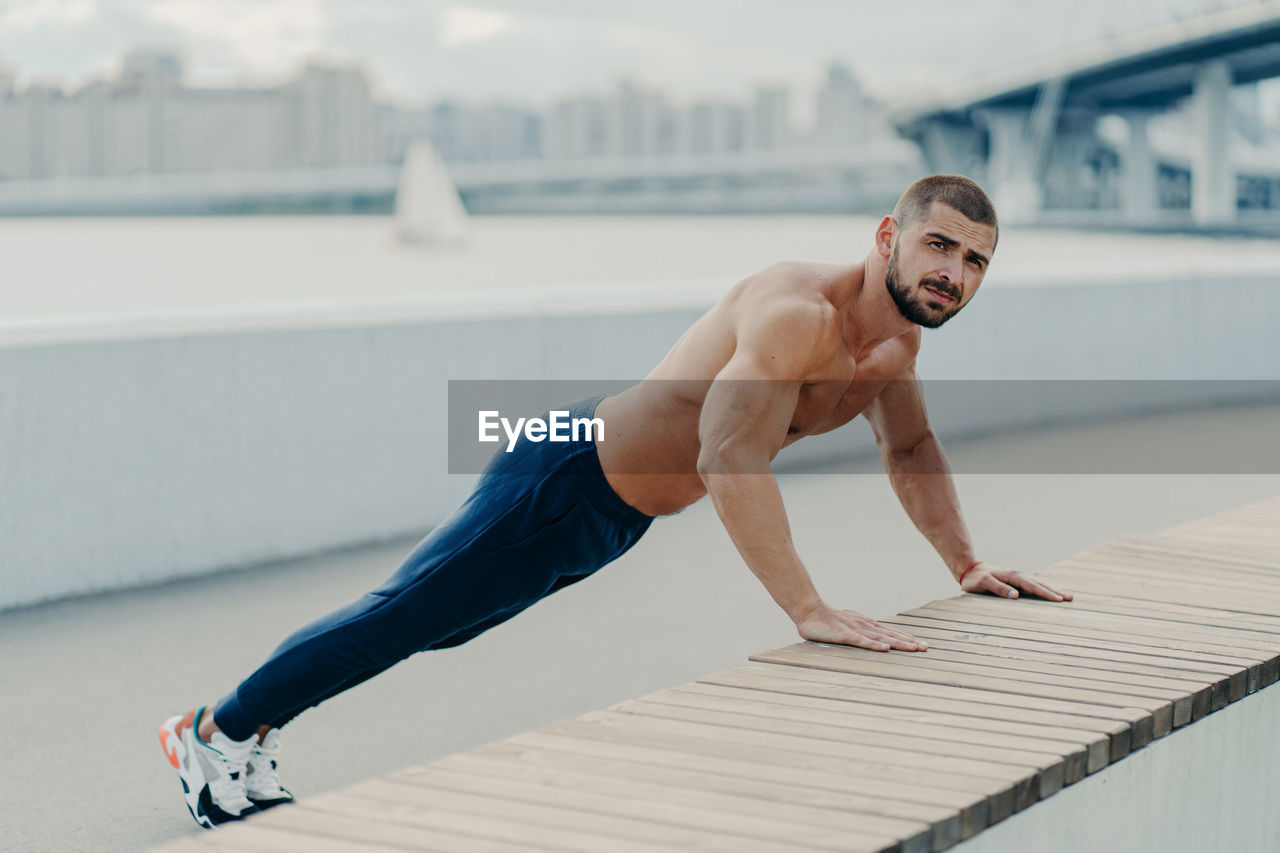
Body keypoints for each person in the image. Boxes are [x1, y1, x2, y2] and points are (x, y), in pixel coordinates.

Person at [158, 173, 1073, 829]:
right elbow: (726, 452)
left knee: (442, 625)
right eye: (940, 245)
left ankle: (243, 728)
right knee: (405, 614)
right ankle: (215, 730)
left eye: (976, 261)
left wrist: (964, 560)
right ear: (890, 237)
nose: (955, 271)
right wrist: (808, 607)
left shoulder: (894, 353)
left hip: (616, 510)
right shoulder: (799, 313)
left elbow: (911, 446)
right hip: (565, 473)